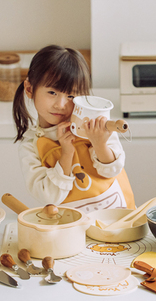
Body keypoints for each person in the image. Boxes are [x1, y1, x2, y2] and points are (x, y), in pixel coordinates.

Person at [13, 45, 135, 213]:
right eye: (52, 92)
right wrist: (66, 154)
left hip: (119, 222)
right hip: (73, 232)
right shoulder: (30, 147)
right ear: (29, 89)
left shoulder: (96, 127)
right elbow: (49, 197)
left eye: (71, 96)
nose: (61, 105)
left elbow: (113, 171)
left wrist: (100, 145)